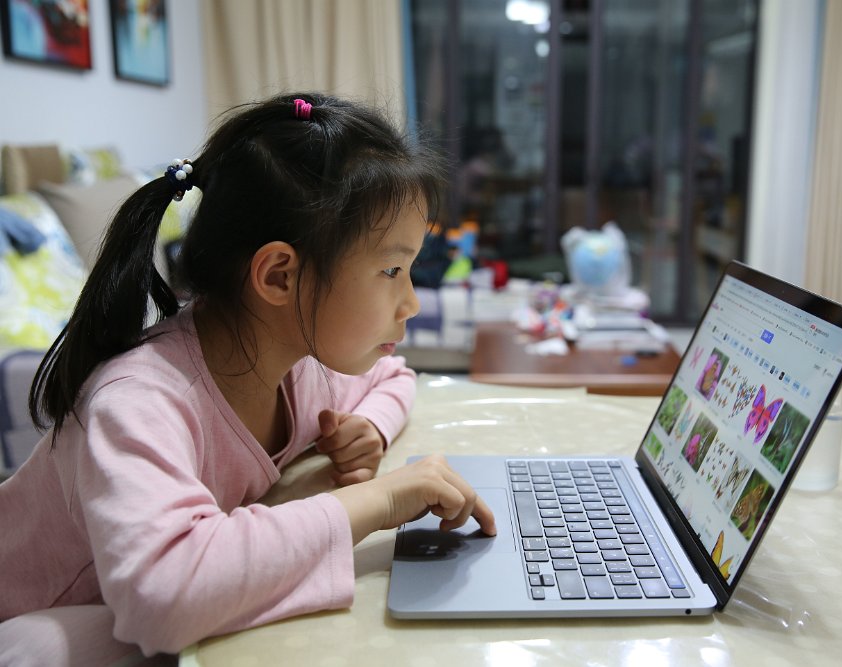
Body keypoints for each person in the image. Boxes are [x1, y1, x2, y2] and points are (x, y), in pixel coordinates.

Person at [0, 93, 496, 663]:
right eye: (391, 270)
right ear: (280, 276)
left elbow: (393, 377)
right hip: (27, 616)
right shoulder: (139, 400)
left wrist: (370, 427)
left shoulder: (299, 365)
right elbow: (164, 596)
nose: (410, 302)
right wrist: (379, 500)